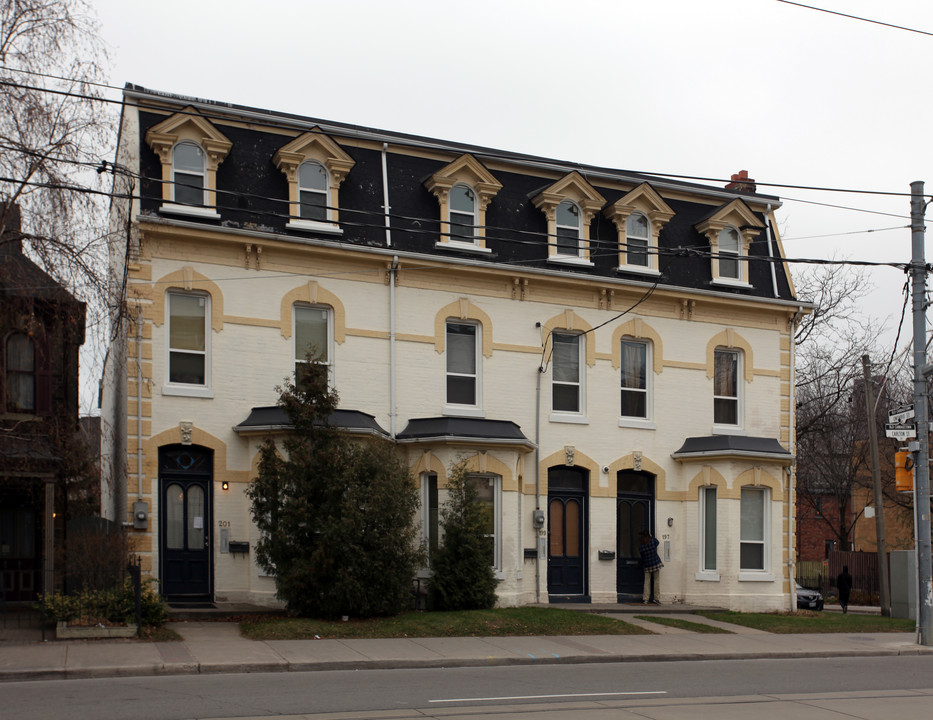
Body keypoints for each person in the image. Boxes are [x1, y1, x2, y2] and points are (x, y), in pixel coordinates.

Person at [638, 529, 663, 604]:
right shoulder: (652, 542)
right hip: (655, 563)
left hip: (647, 565)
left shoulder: (642, 547)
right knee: (656, 581)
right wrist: (652, 537)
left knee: (647, 582)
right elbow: (657, 542)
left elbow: (642, 556)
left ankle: (646, 598)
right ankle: (656, 598)